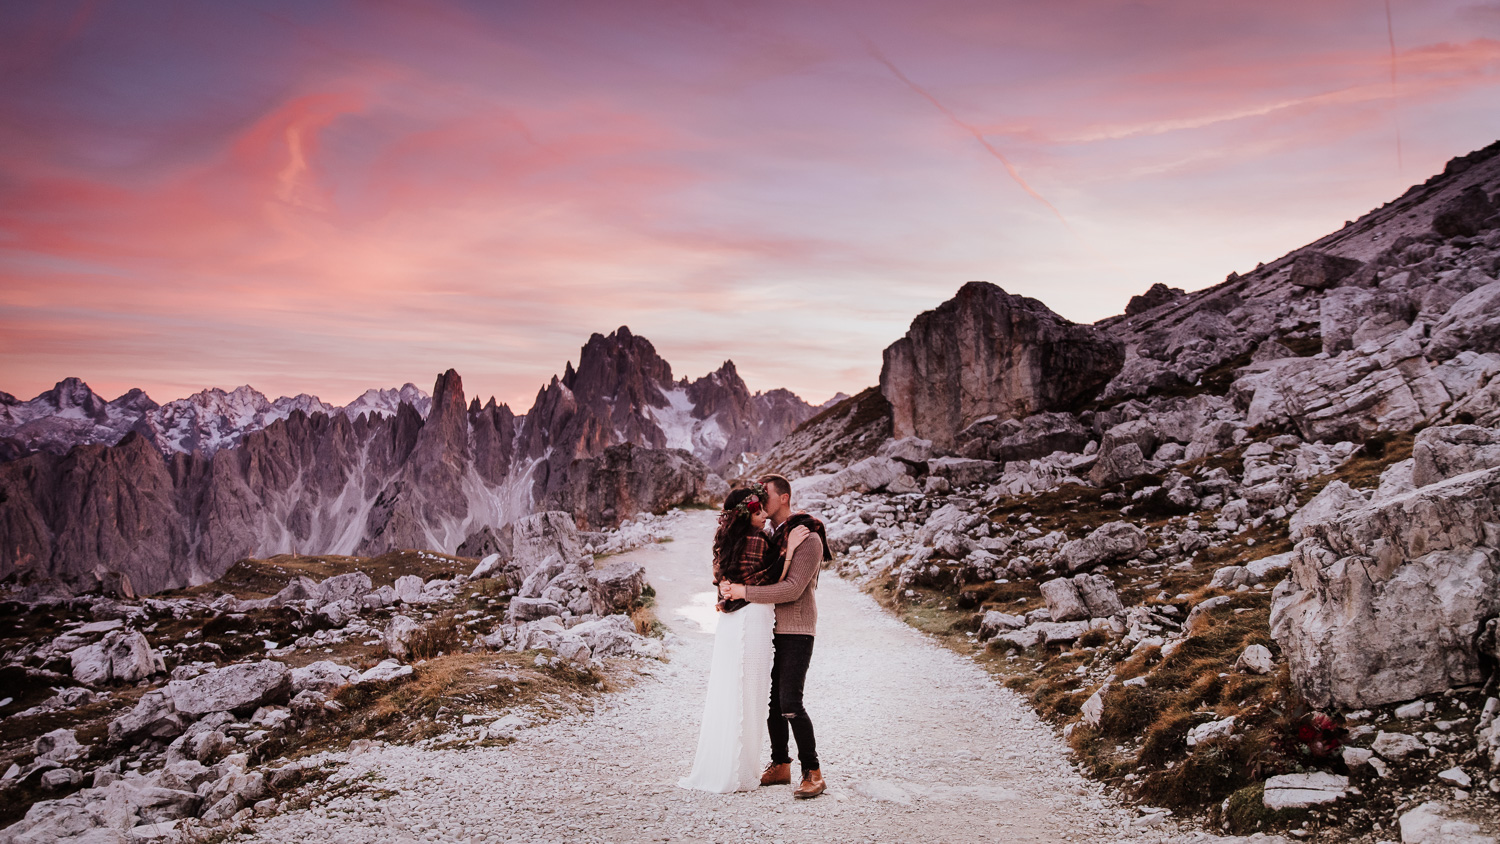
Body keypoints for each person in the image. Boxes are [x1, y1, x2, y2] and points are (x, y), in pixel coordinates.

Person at [678, 485, 808, 793]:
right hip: (752, 619)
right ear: (746, 514)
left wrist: (726, 591)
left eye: (764, 509)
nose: (764, 515)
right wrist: (789, 550)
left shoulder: (731, 538)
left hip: (734, 622)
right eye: (758, 511)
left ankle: (729, 766)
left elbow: (734, 577)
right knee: (749, 696)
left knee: (732, 692)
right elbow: (769, 579)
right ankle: (739, 771)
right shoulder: (755, 539)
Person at [719, 473, 831, 799]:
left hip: (796, 629)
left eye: (763, 493)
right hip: (768, 628)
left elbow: (792, 588)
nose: (758, 498)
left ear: (783, 498)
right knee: (772, 704)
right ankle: (781, 764)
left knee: (791, 702)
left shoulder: (807, 537)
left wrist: (744, 591)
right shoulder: (771, 534)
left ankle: (813, 772)